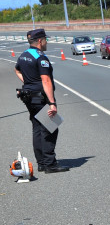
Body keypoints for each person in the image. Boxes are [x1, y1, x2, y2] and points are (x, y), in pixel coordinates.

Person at [14, 29, 69, 173]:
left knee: (37, 128)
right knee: (50, 128)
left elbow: (17, 70)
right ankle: (50, 164)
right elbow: (46, 80)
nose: (46, 42)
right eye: (45, 39)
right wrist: (52, 103)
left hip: (28, 96)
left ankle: (42, 163)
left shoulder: (24, 55)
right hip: (40, 97)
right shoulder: (40, 57)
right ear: (40, 41)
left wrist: (29, 82)